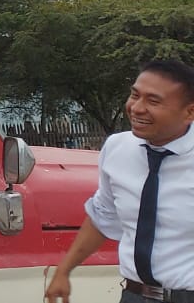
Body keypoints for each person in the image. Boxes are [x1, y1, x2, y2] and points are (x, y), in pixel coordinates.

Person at [45, 59, 194, 303]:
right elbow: (103, 215)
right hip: (134, 295)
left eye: (153, 101)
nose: (137, 108)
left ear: (190, 112)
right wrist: (64, 270)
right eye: (135, 95)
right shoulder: (118, 148)